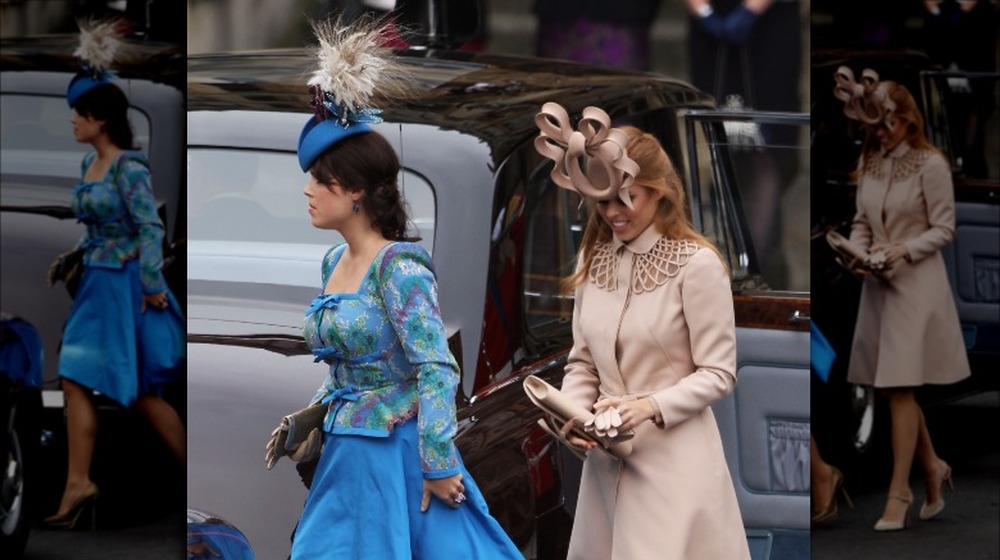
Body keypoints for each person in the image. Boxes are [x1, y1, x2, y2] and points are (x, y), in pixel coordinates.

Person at [283, 20, 521, 559]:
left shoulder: (401, 268)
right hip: (345, 456)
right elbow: (349, 369)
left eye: (321, 180)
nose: (308, 190)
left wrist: (437, 464)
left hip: (397, 457)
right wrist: (312, 416)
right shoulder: (333, 260)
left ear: (357, 192)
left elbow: (435, 368)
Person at [535, 102, 750, 559]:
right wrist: (573, 414)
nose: (612, 212)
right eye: (602, 201)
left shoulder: (697, 265)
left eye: (624, 198)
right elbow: (583, 361)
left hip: (675, 469)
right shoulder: (592, 260)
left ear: (658, 191)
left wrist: (650, 406)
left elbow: (719, 373)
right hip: (604, 472)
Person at [45, 25, 185, 530]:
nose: (73, 122)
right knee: (81, 377)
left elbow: (149, 227)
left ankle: (87, 483)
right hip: (96, 286)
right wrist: (73, 255)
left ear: (100, 118)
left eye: (79, 115)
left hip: (126, 288)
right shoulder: (90, 161)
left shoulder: (130, 168)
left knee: (141, 390)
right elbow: (103, 226)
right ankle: (77, 482)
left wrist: (150, 286)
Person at [834, 68, 970, 531]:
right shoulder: (870, 164)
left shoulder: (931, 164)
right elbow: (862, 222)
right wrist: (857, 252)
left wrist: (903, 250)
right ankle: (933, 469)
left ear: (908, 121)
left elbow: (944, 228)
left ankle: (900, 492)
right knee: (894, 386)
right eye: (874, 125)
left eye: (888, 124)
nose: (881, 132)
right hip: (877, 284)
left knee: (897, 386)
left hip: (916, 286)